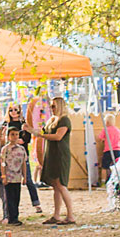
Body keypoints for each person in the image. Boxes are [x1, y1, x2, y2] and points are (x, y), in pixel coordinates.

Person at [39, 96, 76, 226]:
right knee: (55, 185)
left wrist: (41, 135)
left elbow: (58, 136)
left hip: (60, 155)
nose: (51, 108)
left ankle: (70, 215)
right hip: (52, 154)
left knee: (61, 185)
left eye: (54, 106)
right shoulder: (52, 120)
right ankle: (56, 214)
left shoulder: (64, 120)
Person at [0, 122, 29, 225]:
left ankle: (15, 216)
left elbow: (23, 163)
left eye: (16, 134)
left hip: (17, 177)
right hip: (9, 177)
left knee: (16, 197)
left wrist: (25, 177)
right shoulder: (5, 149)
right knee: (9, 198)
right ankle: (11, 217)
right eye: (12, 134)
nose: (15, 137)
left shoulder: (21, 149)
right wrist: (3, 176)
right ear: (8, 136)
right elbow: (2, 163)